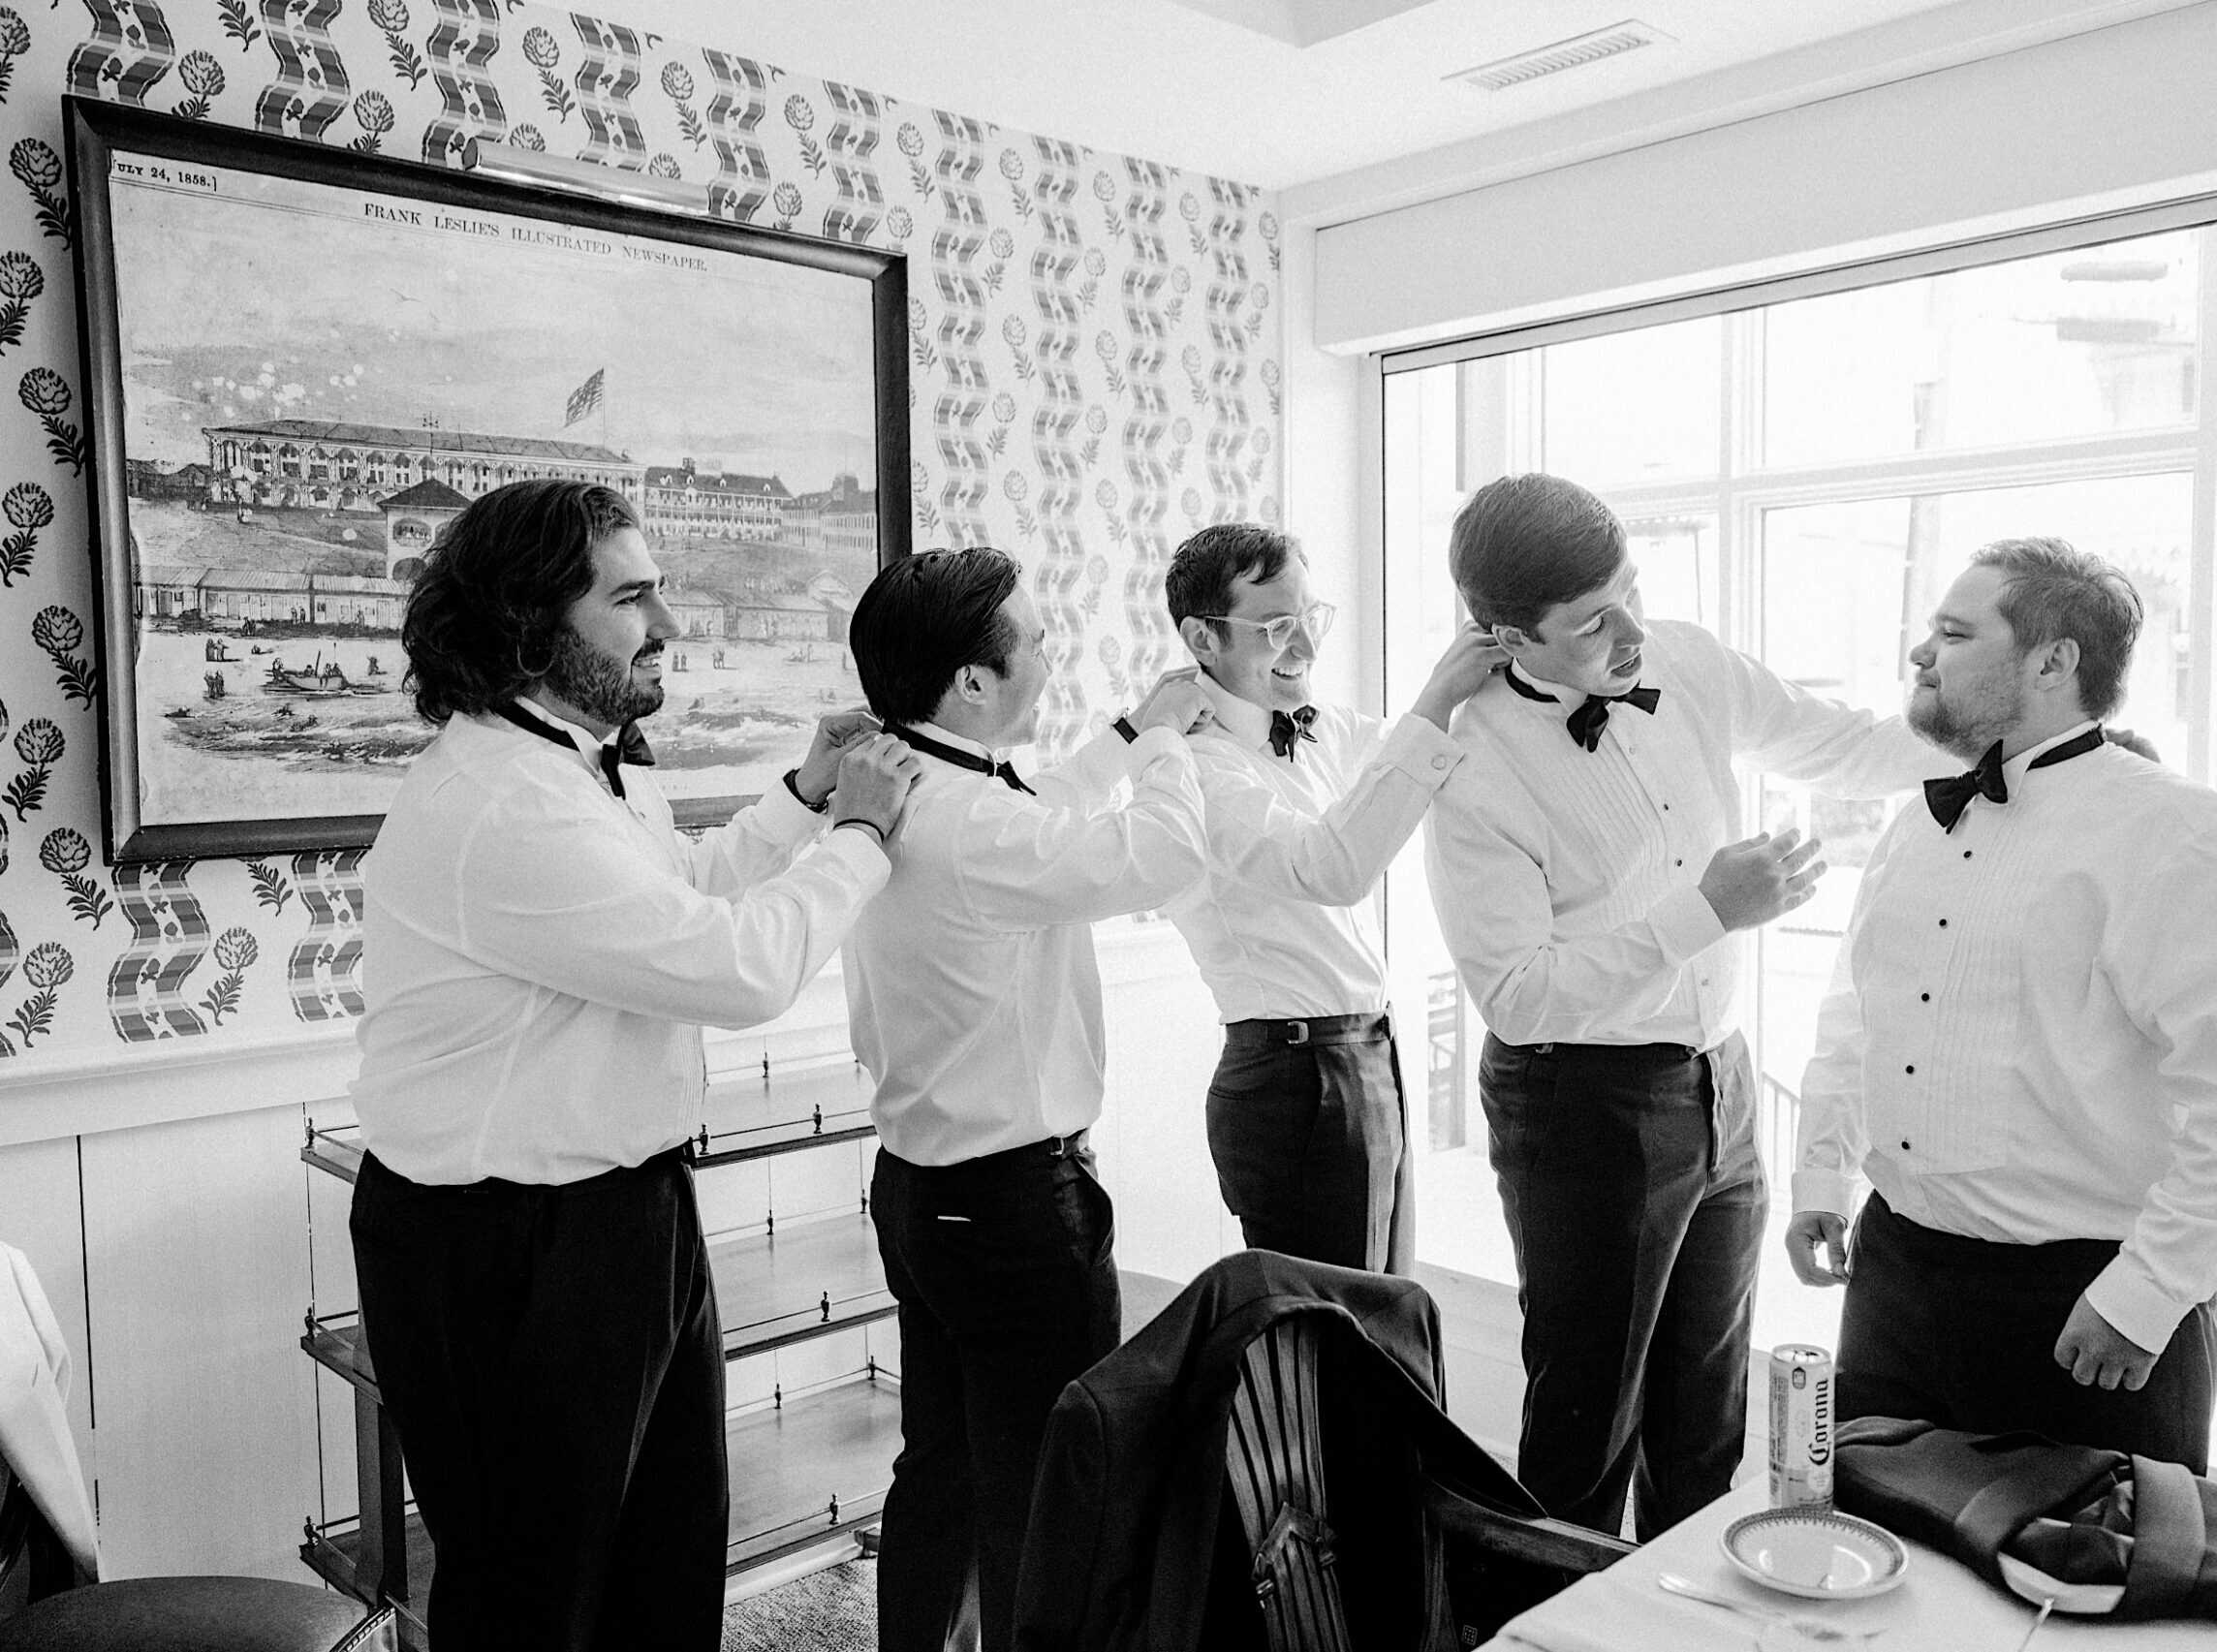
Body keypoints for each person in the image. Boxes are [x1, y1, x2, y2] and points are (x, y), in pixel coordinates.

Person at [349, 479, 917, 1652]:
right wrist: (859, 833)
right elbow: (735, 969)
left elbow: (680, 900)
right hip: (501, 1246)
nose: (668, 625)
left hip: (627, 1215)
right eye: (634, 598)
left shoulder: (583, 761)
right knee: (532, 1597)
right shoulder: (502, 803)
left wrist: (805, 796)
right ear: (530, 622)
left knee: (666, 1559)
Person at [1424, 472, 1943, 1539]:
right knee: (1584, 1422)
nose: (1630, 632)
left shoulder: (1685, 658)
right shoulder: (1467, 763)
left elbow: (1836, 743)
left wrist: (1993, 738)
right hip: (1580, 1100)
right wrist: (1706, 909)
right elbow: (1518, 997)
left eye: (1632, 592)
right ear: (1505, 634)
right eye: (1590, 622)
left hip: (1724, 1076)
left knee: (1707, 1414)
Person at [1786, 537, 2217, 1473]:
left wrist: (2148, 1291)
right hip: (1892, 1281)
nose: (1921, 654)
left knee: (2072, 1604)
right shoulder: (1915, 819)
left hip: (2082, 1301)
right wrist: (1821, 1178)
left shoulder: (2179, 833)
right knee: (1882, 1574)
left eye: (1953, 632)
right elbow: (1855, 1016)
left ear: (2052, 660)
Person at [842, 546, 1212, 1652]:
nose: (1052, 656)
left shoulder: (909, 782)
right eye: (1039, 640)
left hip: (917, 1189)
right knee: (1047, 1490)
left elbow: (1039, 808)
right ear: (969, 680)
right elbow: (1164, 854)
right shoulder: (973, 824)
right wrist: (1162, 747)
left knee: (943, 1466)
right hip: (1012, 1209)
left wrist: (1118, 734)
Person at [1160, 522, 1503, 1272]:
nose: (1307, 650)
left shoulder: (1324, 731)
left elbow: (1439, 763)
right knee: (1337, 1346)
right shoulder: (1198, 768)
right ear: (1203, 636)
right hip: (1297, 1082)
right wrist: (1437, 694)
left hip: (1369, 1055)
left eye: (1310, 619)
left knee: (1386, 1321)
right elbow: (1331, 867)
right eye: (1278, 627)